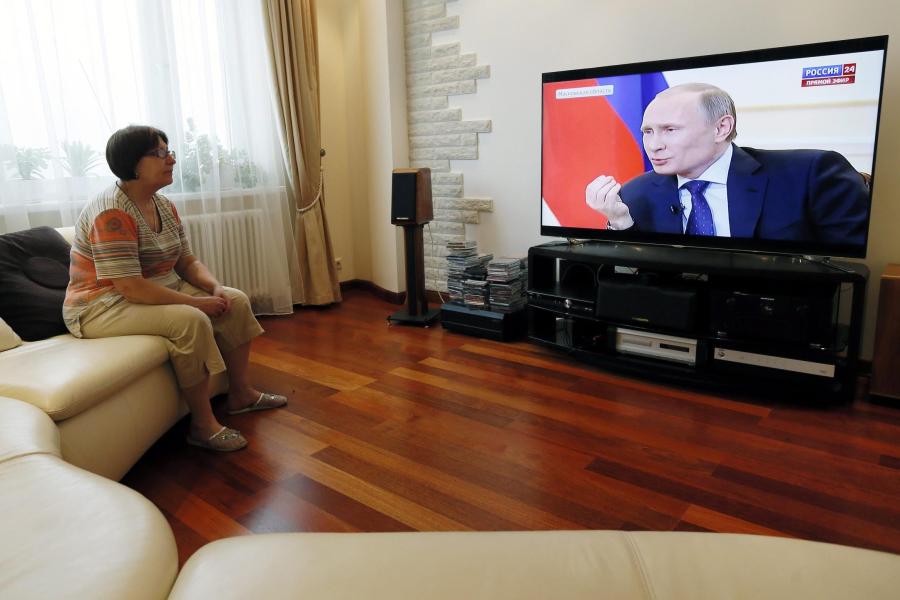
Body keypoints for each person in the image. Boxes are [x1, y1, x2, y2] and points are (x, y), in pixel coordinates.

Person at [63, 125, 286, 452]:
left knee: (235, 300)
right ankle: (202, 425)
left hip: (152, 288)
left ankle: (241, 394)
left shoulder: (164, 205)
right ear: (133, 163)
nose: (171, 159)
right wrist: (196, 304)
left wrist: (214, 287)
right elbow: (130, 287)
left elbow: (186, 261)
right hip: (101, 305)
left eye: (169, 152)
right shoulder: (111, 212)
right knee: (190, 320)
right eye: (159, 153)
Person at [585, 83, 869, 245]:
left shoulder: (811, 174)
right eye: (648, 131)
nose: (654, 145)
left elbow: (845, 267)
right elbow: (637, 281)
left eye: (670, 130)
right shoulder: (634, 194)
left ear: (721, 128)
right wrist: (620, 223)